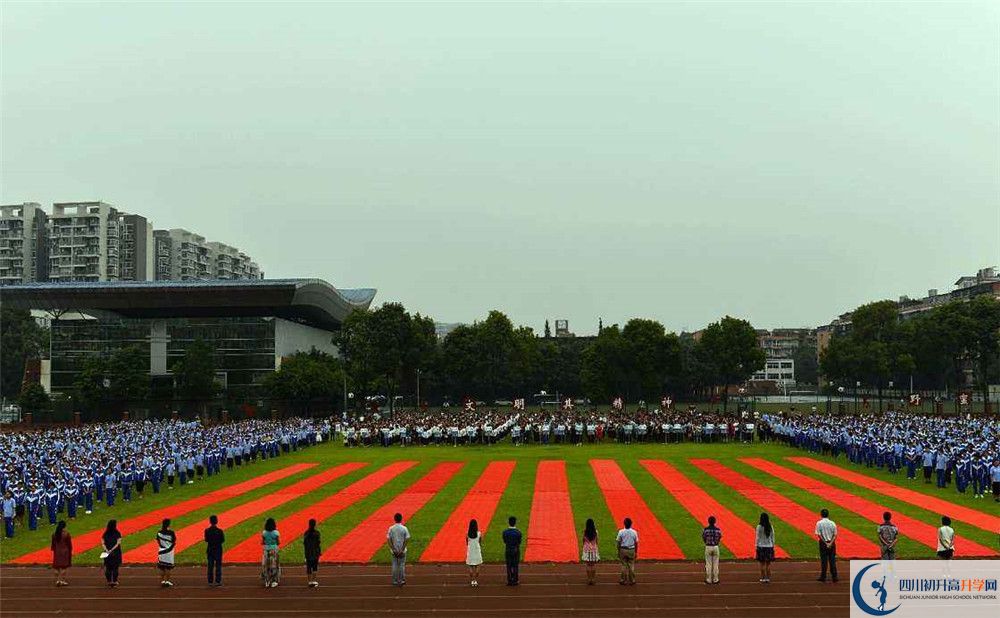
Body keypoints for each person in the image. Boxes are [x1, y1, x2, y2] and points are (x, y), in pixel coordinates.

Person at [386, 512, 410, 587]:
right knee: (402, 565)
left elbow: (388, 540)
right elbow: (407, 539)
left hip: (394, 551)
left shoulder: (391, 528)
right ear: (401, 519)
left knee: (395, 565)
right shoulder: (404, 528)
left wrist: (393, 549)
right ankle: (402, 580)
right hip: (402, 551)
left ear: (394, 519)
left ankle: (395, 581)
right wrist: (402, 549)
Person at [815, 509, 838, 583]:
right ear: (828, 515)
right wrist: (830, 543)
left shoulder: (819, 523)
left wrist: (825, 543)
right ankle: (834, 577)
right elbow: (834, 535)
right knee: (832, 560)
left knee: (824, 561)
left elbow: (819, 535)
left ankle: (823, 576)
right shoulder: (832, 523)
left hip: (823, 543)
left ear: (821, 514)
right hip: (831, 543)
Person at [616, 517, 638, 586]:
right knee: (631, 565)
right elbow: (636, 543)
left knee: (623, 565)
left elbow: (618, 542)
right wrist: (636, 551)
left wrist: (619, 550)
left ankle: (623, 580)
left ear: (624, 524)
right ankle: (632, 580)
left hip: (623, 549)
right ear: (631, 524)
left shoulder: (621, 531)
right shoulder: (634, 532)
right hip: (631, 549)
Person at [204, 514, 225, 587]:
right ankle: (218, 581)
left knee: (210, 566)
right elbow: (222, 540)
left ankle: (210, 581)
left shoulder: (207, 531)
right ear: (216, 521)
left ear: (210, 521)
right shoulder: (220, 531)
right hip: (218, 549)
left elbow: (206, 540)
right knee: (218, 566)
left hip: (210, 549)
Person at [101, 519, 123, 588]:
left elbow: (103, 543)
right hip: (115, 552)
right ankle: (115, 581)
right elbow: (118, 543)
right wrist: (111, 550)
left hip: (107, 552)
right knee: (115, 567)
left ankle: (109, 581)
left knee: (108, 567)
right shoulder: (117, 533)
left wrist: (107, 550)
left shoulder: (105, 533)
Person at [51, 520, 72, 586]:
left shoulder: (54, 534)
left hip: (57, 551)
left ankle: (57, 580)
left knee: (56, 567)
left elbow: (53, 544)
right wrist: (70, 550)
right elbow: (69, 544)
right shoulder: (66, 534)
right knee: (64, 567)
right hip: (65, 551)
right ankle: (63, 580)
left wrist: (54, 549)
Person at [502, 516, 522, 586]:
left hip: (508, 549)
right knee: (515, 565)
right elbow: (519, 542)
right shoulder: (518, 532)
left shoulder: (505, 532)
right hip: (516, 550)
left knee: (509, 566)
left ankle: (510, 580)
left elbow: (504, 541)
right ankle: (515, 580)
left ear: (509, 523)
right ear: (515, 523)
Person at [755, 513, 775, 583]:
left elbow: (757, 537)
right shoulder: (770, 526)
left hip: (761, 546)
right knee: (768, 564)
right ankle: (768, 578)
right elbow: (773, 537)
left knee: (762, 564)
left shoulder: (759, 527)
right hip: (769, 546)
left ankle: (763, 578)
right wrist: (773, 545)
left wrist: (756, 546)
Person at [261, 517, 281, 588]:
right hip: (274, 549)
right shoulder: (276, 533)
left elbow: (262, 542)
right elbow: (278, 542)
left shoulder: (264, 533)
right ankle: (274, 581)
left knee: (266, 565)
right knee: (274, 565)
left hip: (266, 549)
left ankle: (267, 580)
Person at [702, 515, 722, 585]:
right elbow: (719, 537)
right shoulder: (718, 530)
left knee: (708, 564)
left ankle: (709, 579)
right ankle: (716, 579)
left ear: (708, 522)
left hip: (708, 546)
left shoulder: (706, 530)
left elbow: (703, 537)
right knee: (716, 564)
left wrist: (707, 542)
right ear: (715, 522)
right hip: (716, 547)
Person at [156, 518, 176, 587]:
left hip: (161, 551)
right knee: (168, 567)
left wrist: (162, 546)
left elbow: (158, 541)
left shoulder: (159, 532)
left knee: (162, 567)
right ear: (168, 524)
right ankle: (167, 581)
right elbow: (174, 541)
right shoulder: (171, 532)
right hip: (169, 551)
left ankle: (162, 581)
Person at [581, 518, 600, 585]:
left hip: (587, 549)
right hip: (594, 549)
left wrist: (584, 546)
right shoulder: (596, 532)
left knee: (588, 565)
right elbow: (597, 540)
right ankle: (593, 579)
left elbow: (583, 540)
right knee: (593, 564)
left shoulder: (585, 531)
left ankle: (589, 579)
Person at [465, 519, 484, 587]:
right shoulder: (479, 533)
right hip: (476, 550)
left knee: (470, 565)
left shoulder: (467, 533)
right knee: (478, 564)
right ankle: (475, 580)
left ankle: (472, 580)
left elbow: (467, 542)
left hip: (470, 550)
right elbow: (480, 541)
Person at [303, 519, 321, 588]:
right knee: (315, 567)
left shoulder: (306, 533)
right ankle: (313, 581)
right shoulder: (317, 533)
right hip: (315, 552)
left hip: (308, 552)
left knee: (309, 567)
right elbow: (318, 542)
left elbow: (305, 543)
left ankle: (309, 581)